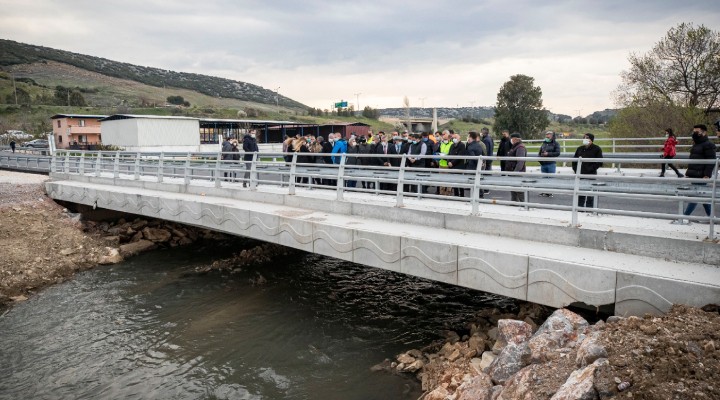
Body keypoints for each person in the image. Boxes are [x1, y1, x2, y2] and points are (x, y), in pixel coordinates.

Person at [682, 124, 717, 221]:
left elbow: (711, 161)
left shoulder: (708, 145)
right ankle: (711, 217)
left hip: (701, 175)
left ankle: (685, 217)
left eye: (697, 132)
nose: (695, 134)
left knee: (695, 195)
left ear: (704, 132)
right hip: (694, 174)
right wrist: (689, 173)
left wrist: (707, 175)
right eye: (694, 132)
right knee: (702, 195)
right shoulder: (696, 144)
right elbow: (693, 160)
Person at [572, 133, 603, 209]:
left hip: (590, 174)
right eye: (584, 137)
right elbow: (574, 160)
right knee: (580, 192)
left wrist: (591, 168)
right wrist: (576, 170)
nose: (585, 139)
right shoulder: (579, 148)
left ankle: (589, 208)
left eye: (587, 138)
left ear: (591, 140)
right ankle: (580, 208)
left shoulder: (597, 149)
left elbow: (599, 162)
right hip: (580, 174)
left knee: (590, 192)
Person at [538, 130, 561, 196]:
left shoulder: (556, 144)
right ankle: (544, 191)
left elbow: (557, 153)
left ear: (552, 136)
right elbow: (539, 152)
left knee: (550, 178)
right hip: (543, 163)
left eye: (549, 134)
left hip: (551, 163)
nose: (547, 136)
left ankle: (549, 192)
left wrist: (548, 154)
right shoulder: (544, 143)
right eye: (546, 134)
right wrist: (540, 158)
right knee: (544, 178)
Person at [506, 133, 527, 203]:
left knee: (519, 189)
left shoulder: (520, 147)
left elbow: (520, 162)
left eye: (511, 138)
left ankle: (524, 203)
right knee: (513, 188)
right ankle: (514, 202)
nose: (510, 140)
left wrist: (516, 172)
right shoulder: (515, 146)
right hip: (513, 171)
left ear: (515, 139)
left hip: (517, 171)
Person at [448, 133, 467, 197]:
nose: (454, 139)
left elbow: (460, 156)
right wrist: (448, 162)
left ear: (459, 138)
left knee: (460, 182)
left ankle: (462, 195)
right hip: (452, 167)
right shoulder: (452, 145)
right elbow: (449, 154)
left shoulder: (462, 145)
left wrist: (452, 163)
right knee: (454, 182)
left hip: (459, 166)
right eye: (453, 138)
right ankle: (456, 195)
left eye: (456, 138)